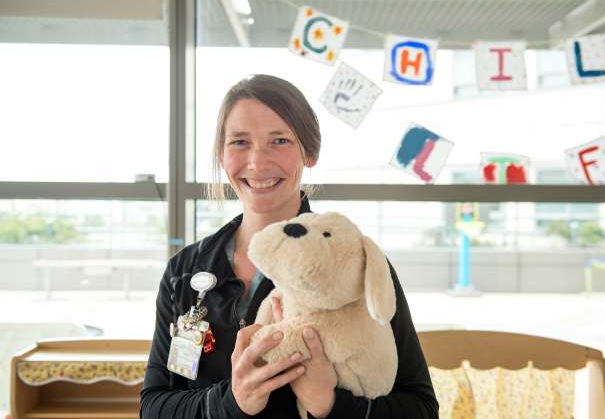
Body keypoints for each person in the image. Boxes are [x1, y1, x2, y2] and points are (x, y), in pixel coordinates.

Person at [140, 74, 439, 418]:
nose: (257, 161)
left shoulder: (353, 261)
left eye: (279, 140)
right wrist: (231, 402)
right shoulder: (185, 270)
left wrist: (330, 405)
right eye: (239, 142)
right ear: (222, 155)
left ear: (309, 152)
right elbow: (154, 406)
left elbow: (421, 408)